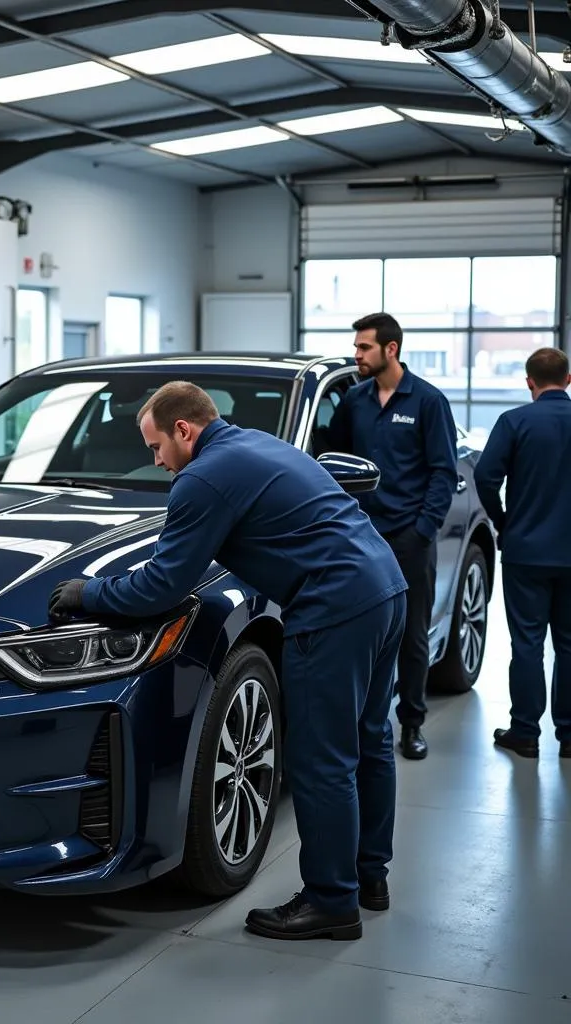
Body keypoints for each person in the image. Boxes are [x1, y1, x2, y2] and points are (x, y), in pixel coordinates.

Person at [48, 381, 408, 942]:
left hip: (334, 609)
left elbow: (163, 586)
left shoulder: (201, 478)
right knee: (369, 741)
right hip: (385, 589)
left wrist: (89, 595)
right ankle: (369, 879)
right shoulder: (256, 445)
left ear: (184, 431)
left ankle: (331, 903)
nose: (157, 461)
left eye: (155, 447)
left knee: (320, 762)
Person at [326, 313, 459, 760]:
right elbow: (331, 461)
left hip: (407, 536)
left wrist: (423, 529)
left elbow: (444, 471)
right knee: (361, 634)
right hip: (359, 540)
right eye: (357, 347)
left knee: (411, 634)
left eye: (364, 348)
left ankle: (412, 725)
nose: (356, 355)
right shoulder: (355, 401)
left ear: (391, 349)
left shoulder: (427, 402)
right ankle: (367, 725)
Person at [473, 347, 571, 759]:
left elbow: (484, 475)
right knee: (569, 645)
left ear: (528, 381)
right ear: (568, 380)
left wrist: (504, 522)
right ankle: (569, 736)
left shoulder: (514, 421)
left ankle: (526, 733)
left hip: (525, 551)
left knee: (527, 644)